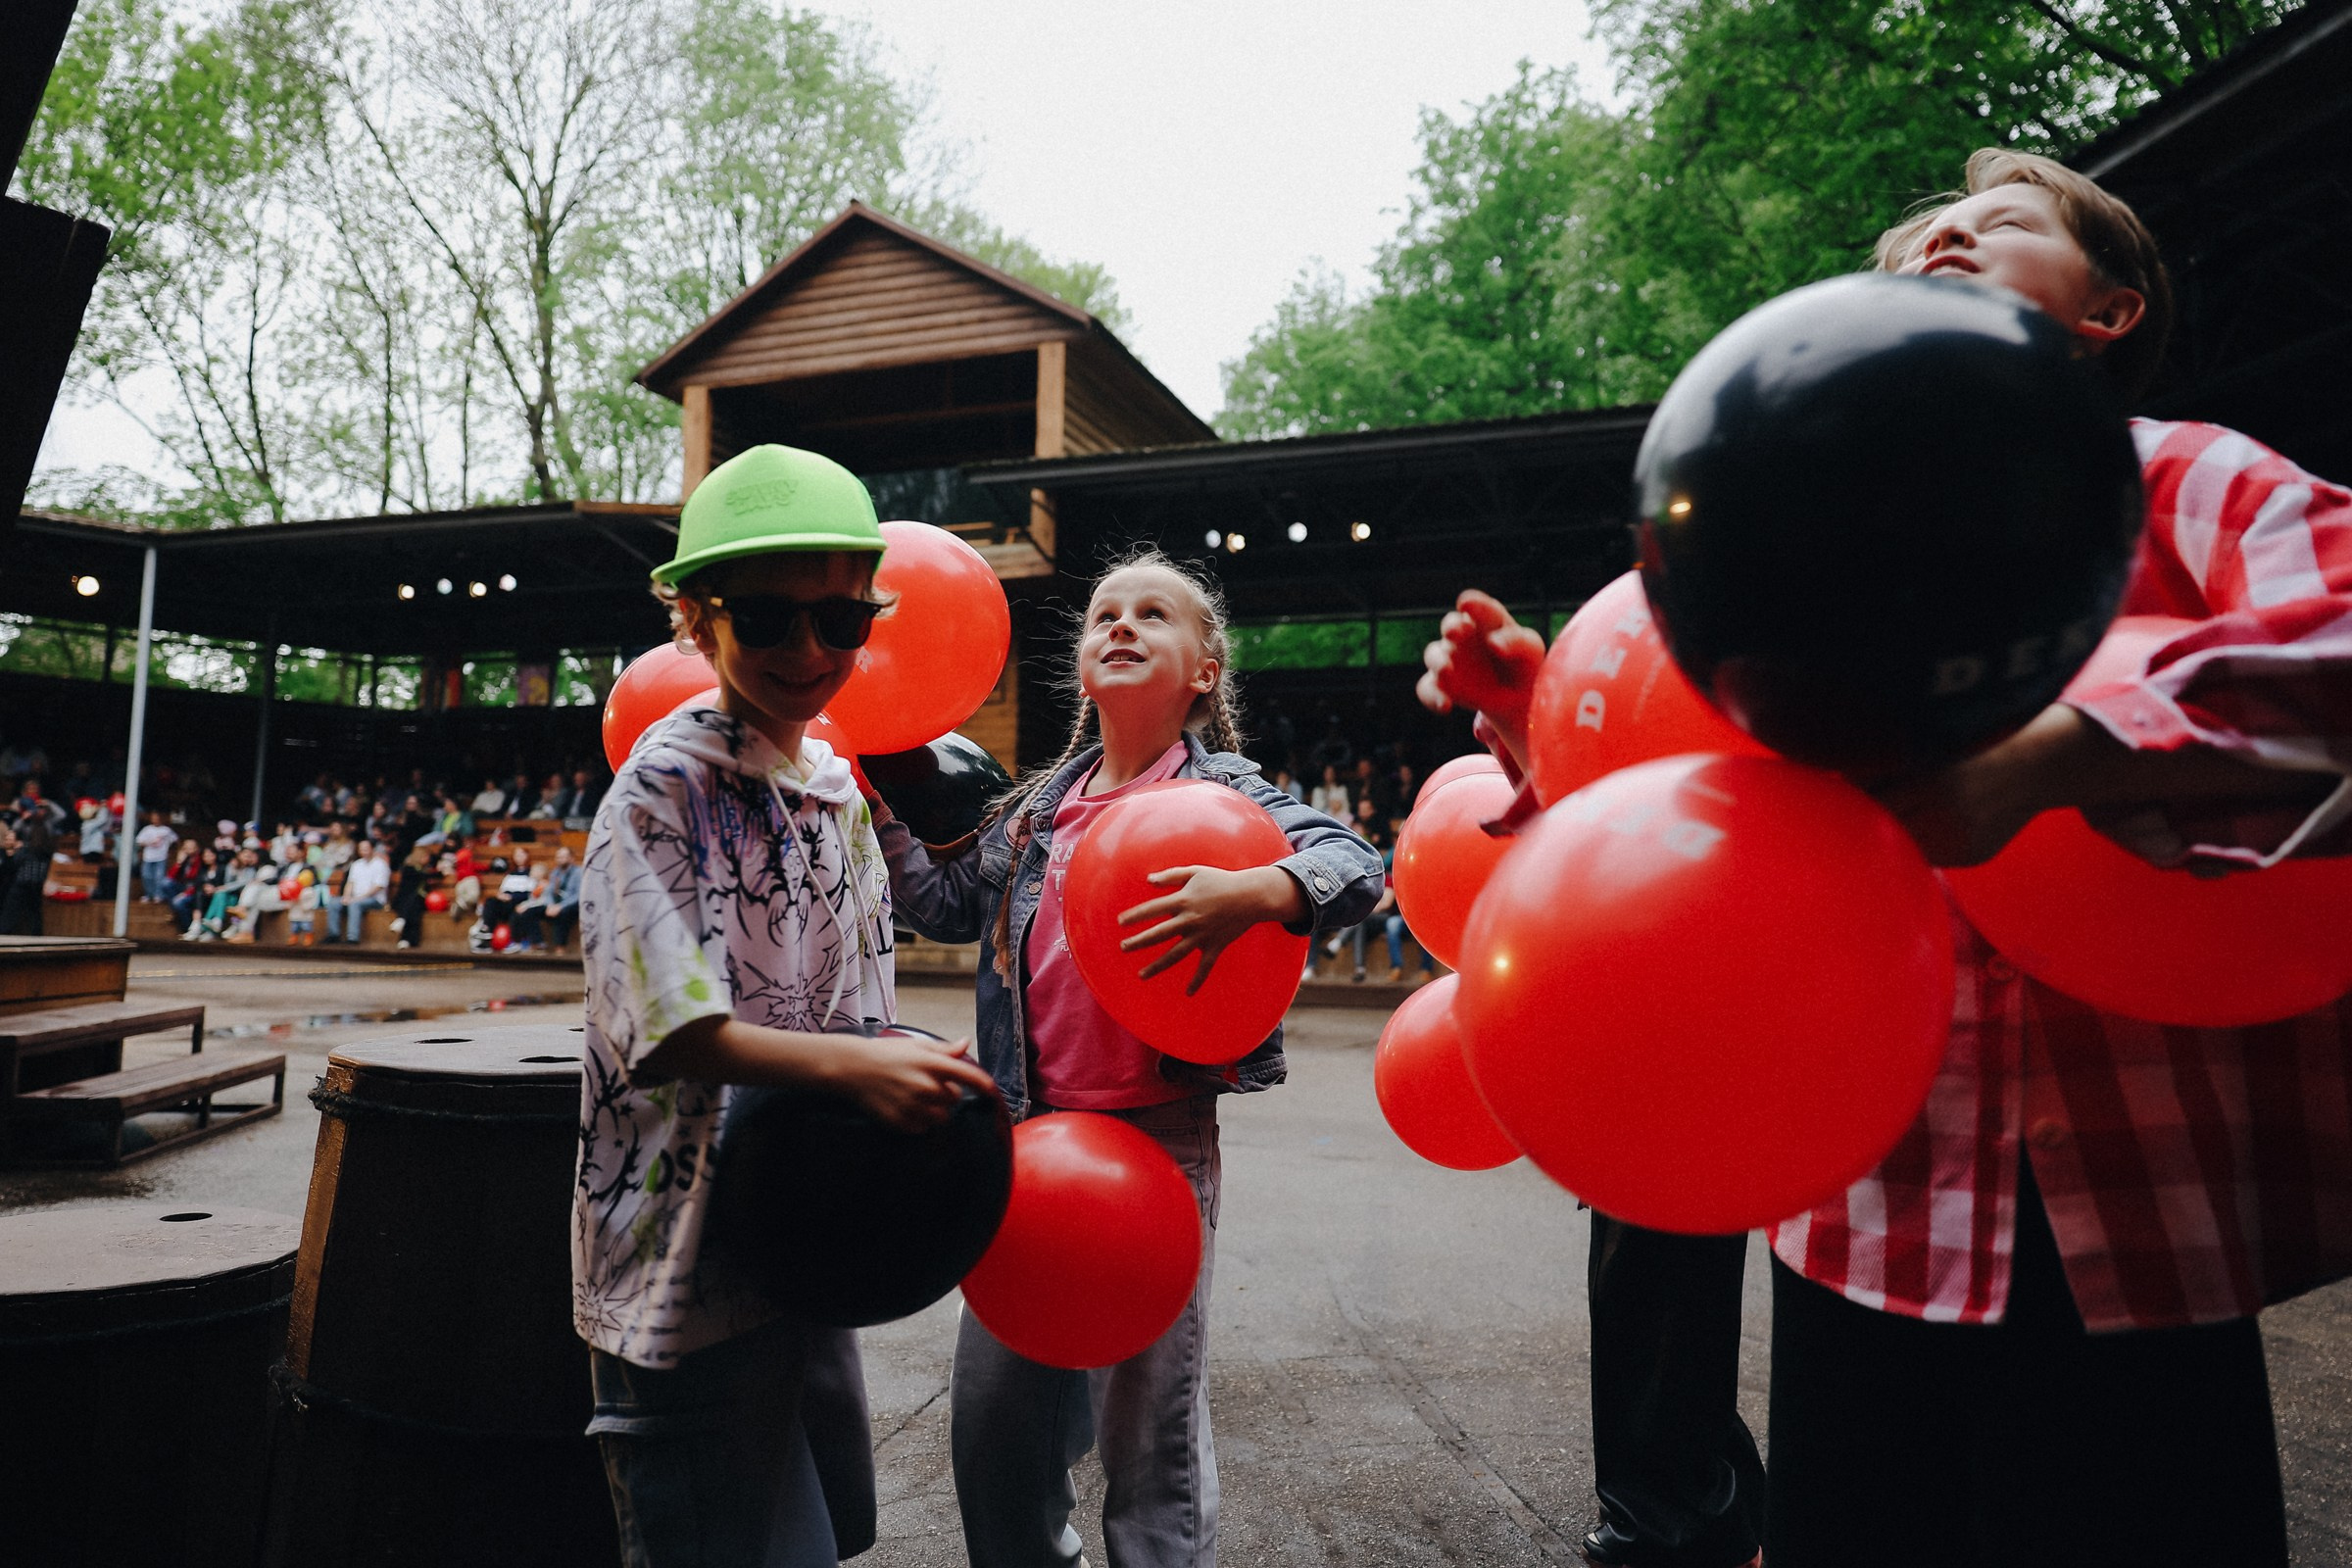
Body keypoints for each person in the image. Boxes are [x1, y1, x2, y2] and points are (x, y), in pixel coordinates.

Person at [1427, 149, 2352, 1568]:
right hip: (1869, 1222)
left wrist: (2065, 756)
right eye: (1918, 237)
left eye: (1997, 221)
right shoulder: (1798, 541)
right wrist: (1542, 728)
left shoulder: (2184, 478)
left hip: (2142, 1227)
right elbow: (1706, 855)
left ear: (2111, 310)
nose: (1945, 236)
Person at [883, 546, 1382, 1568]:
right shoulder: (1038, 808)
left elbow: (1352, 862)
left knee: (1149, 1437)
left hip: (1157, 1148)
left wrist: (1254, 891)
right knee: (994, 1432)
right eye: (1106, 612)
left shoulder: (1227, 792)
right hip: (1025, 1143)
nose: (1121, 623)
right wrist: (866, 774)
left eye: (1154, 614)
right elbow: (939, 902)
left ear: (1205, 670)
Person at [574, 442, 993, 1568]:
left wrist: (906, 1063)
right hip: (686, 1266)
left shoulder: (831, 781)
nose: (808, 649)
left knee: (822, 1534)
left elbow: (850, 1001)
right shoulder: (663, 784)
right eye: (765, 617)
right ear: (695, 620)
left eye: (840, 620)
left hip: (804, 1236)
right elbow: (664, 1027)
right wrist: (861, 1070)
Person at [326, 839, 390, 945]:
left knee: (354, 904)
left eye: (366, 849)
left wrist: (359, 898)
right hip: (355, 898)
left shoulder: (380, 864)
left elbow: (378, 886)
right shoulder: (356, 864)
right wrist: (346, 896)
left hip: (375, 900)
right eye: (361, 849)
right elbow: (350, 883)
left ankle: (352, 937)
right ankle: (333, 935)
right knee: (333, 902)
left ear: (372, 849)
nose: (363, 851)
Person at [540, 844, 583, 950]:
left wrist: (560, 906)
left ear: (571, 858)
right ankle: (537, 943)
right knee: (531, 912)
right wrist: (550, 905)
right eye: (558, 857)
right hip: (555, 904)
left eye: (563, 857)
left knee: (563, 914)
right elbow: (549, 892)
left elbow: (578, 895)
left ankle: (560, 947)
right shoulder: (555, 873)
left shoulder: (578, 872)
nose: (560, 859)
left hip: (572, 905)